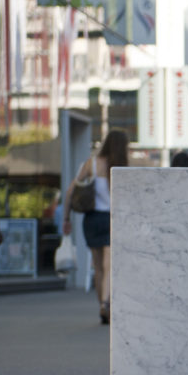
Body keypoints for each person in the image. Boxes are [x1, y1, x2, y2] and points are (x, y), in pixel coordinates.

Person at [63, 129, 129, 325]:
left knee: (98, 266)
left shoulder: (91, 163)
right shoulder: (122, 167)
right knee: (109, 265)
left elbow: (69, 191)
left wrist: (66, 218)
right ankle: (107, 303)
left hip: (91, 219)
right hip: (112, 220)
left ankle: (101, 303)